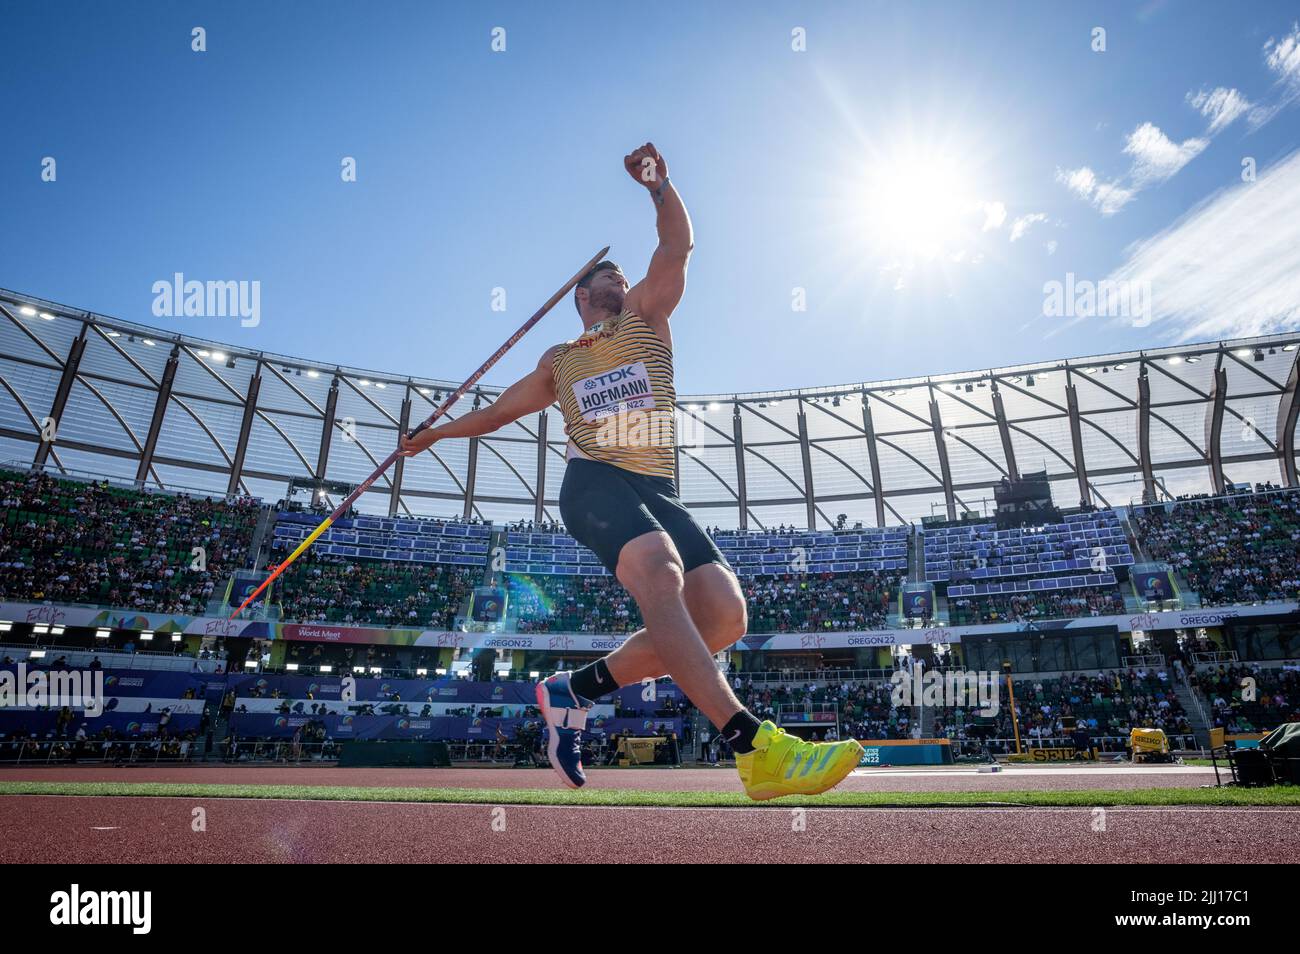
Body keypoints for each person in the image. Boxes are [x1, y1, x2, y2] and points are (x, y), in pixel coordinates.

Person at [399, 144, 861, 800]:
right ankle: (754, 747)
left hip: (657, 487)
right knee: (660, 570)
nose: (619, 279)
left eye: (622, 274)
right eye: (606, 276)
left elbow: (676, 245)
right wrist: (434, 434)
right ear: (581, 295)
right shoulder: (559, 359)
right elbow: (499, 413)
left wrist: (658, 185)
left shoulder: (646, 314)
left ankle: (573, 690)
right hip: (594, 480)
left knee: (725, 617)